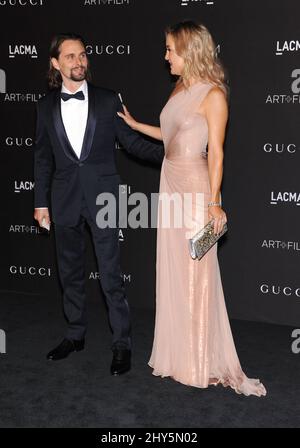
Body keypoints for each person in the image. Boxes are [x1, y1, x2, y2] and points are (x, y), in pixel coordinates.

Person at [117, 21, 266, 395]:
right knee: (174, 272)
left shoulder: (213, 95)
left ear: (189, 51)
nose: (165, 56)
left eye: (170, 49)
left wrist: (215, 202)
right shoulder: (180, 87)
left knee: (198, 273)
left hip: (197, 190)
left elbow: (216, 151)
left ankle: (198, 363)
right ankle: (177, 355)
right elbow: (171, 137)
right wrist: (136, 125)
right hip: (170, 184)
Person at [33, 33, 163, 375]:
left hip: (105, 199)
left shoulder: (108, 100)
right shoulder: (45, 106)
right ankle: (75, 334)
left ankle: (122, 344)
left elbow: (132, 144)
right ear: (56, 63)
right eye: (71, 56)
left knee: (110, 276)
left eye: (83, 55)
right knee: (70, 273)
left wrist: (176, 153)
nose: (79, 62)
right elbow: (42, 158)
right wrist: (40, 203)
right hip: (63, 201)